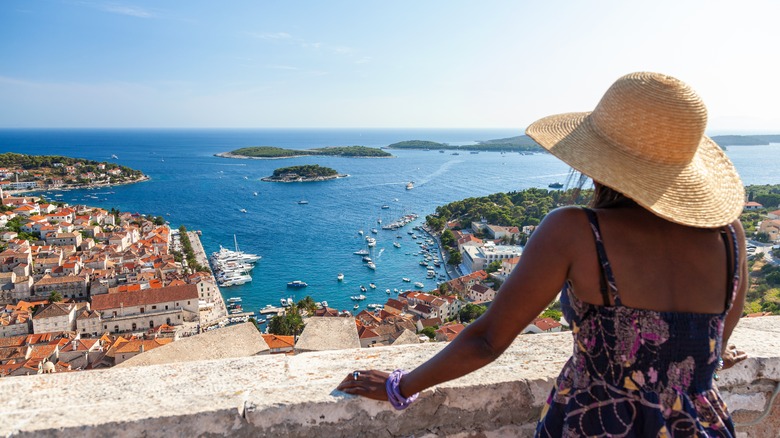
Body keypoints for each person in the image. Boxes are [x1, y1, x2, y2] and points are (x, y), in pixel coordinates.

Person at [337, 72, 748, 436]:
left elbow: (486, 340)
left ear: (599, 158)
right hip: (699, 422)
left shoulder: (575, 230)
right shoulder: (730, 235)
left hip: (598, 422)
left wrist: (399, 386)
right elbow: (712, 348)